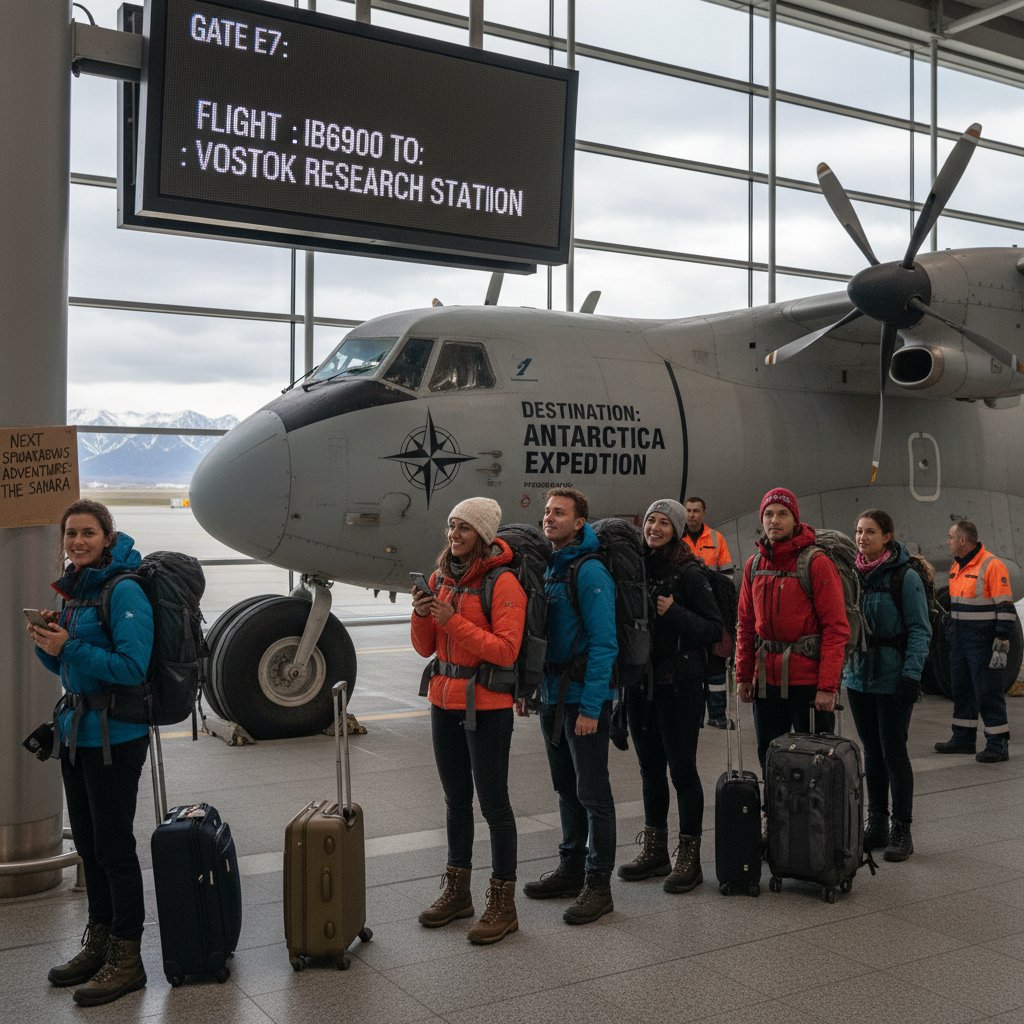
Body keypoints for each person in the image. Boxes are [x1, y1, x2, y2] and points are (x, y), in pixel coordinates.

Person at [26, 499, 153, 1007]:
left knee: (115, 849)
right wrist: (46, 643)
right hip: (78, 734)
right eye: (70, 534)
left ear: (106, 537)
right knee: (91, 847)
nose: (77, 541)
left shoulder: (123, 590)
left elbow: (130, 667)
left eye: (87, 533)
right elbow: (71, 670)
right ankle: (99, 941)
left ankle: (129, 957)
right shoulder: (78, 591)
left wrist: (67, 648)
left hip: (115, 738)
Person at [411, 497, 527, 944]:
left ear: (483, 534)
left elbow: (505, 650)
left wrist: (453, 620)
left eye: (463, 528)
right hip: (443, 700)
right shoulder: (441, 578)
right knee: (455, 799)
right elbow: (425, 648)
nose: (453, 535)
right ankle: (458, 892)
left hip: (488, 706)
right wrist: (423, 614)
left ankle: (503, 902)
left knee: (494, 803)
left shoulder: (504, 584)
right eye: (451, 526)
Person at [521, 488, 618, 925]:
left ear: (580, 522)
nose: (549, 518)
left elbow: (604, 644)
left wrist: (593, 708)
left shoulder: (590, 571)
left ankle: (599, 885)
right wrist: (530, 689)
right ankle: (571, 867)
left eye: (559, 512)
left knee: (594, 794)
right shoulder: (551, 568)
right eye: (546, 511)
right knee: (564, 788)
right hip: (552, 697)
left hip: (583, 701)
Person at [618, 499, 723, 893]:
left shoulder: (689, 573)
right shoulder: (636, 569)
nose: (654, 528)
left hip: (680, 689)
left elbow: (714, 629)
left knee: (682, 773)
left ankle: (689, 858)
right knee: (649, 772)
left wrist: (674, 611)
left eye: (664, 522)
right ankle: (656, 851)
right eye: (650, 520)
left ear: (677, 530)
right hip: (642, 689)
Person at [735, 487, 849, 771]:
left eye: (783, 514)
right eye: (769, 514)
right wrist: (744, 675)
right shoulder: (755, 565)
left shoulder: (816, 563)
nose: (774, 520)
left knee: (815, 765)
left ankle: (815, 817)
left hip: (808, 685)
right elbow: (746, 625)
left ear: (795, 519)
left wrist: (827, 687)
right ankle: (772, 813)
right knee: (770, 757)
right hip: (767, 682)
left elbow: (836, 628)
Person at [842, 510, 931, 862]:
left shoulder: (904, 577)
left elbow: (920, 630)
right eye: (859, 531)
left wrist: (911, 677)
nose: (862, 537)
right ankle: (876, 822)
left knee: (894, 753)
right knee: (872, 752)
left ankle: (901, 828)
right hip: (859, 678)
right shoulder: (852, 574)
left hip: (893, 680)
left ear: (888, 537)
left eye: (870, 532)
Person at [935, 519, 1015, 763]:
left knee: (988, 691)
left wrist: (1001, 640)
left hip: (983, 640)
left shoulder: (992, 565)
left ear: (962, 540)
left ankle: (998, 743)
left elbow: (1005, 606)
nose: (947, 541)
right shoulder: (955, 568)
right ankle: (963, 738)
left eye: (950, 537)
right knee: (961, 689)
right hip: (960, 639)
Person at [683, 496, 734, 729]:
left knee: (715, 665)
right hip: (685, 612)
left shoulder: (716, 538)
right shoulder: (677, 537)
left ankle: (716, 715)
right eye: (688, 510)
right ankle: (691, 716)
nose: (691, 515)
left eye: (696, 511)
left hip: (712, 611)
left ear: (704, 513)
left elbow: (728, 578)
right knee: (689, 665)